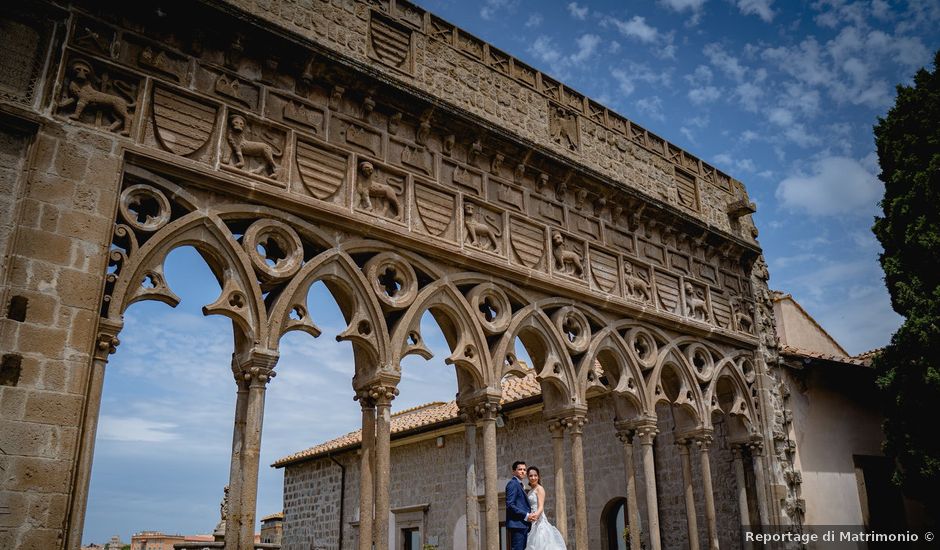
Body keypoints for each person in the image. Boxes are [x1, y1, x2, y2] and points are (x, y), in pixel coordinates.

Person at [524, 466, 567, 550]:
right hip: (532, 520)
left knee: (541, 542)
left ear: (538, 476)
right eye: (531, 476)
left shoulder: (540, 489)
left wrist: (535, 517)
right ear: (528, 477)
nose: (533, 478)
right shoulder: (530, 491)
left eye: (535, 475)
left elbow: (541, 507)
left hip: (538, 519)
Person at [505, 460, 533, 550]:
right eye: (520, 469)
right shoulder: (513, 484)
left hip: (523, 525)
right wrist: (526, 515)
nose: (523, 471)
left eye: (524, 470)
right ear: (514, 471)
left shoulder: (520, 485)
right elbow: (510, 505)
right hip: (518, 525)